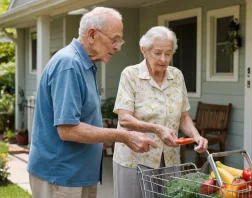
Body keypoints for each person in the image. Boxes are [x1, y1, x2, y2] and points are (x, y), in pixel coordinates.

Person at [27, 7, 159, 198]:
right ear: (91, 35)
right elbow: (68, 130)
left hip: (80, 175)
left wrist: (101, 140)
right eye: (114, 40)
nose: (118, 47)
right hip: (61, 176)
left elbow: (83, 120)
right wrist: (123, 137)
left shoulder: (86, 65)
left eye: (120, 41)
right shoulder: (70, 65)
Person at [112, 26, 209, 198]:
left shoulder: (177, 76)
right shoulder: (131, 75)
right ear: (144, 50)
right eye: (157, 53)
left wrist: (196, 136)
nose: (163, 59)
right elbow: (125, 119)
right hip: (136, 158)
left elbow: (183, 117)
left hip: (169, 159)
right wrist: (157, 129)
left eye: (168, 53)